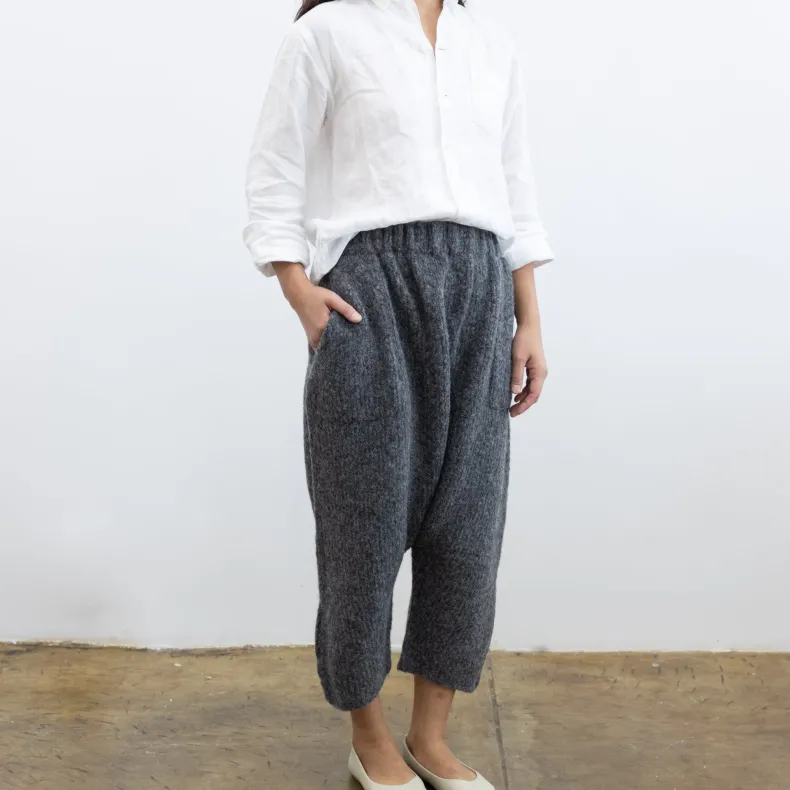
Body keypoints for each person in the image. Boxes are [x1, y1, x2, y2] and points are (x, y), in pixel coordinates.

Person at [243, 0, 553, 786]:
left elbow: (515, 189)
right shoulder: (327, 33)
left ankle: (431, 736)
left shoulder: (490, 45)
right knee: (363, 530)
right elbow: (275, 169)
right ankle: (369, 734)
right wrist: (298, 290)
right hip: (371, 290)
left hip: (481, 293)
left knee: (468, 528)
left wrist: (529, 319)